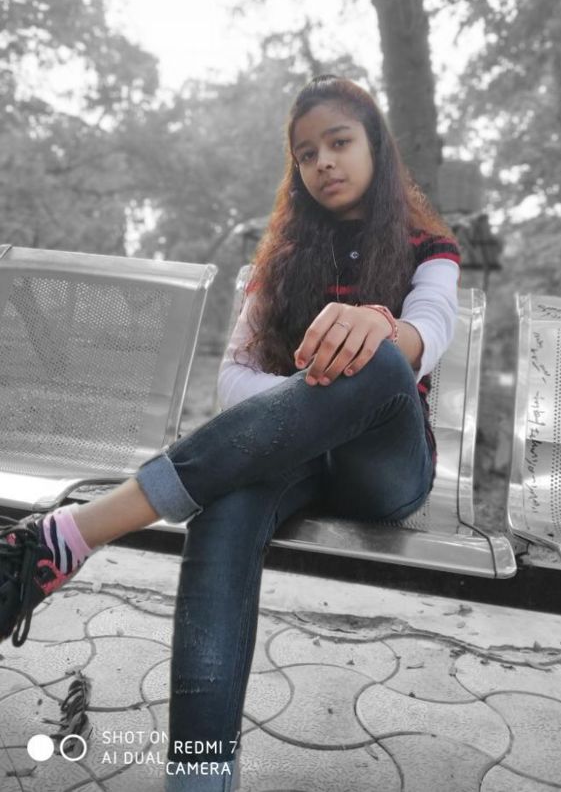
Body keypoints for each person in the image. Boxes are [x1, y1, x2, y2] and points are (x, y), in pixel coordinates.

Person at [0, 74, 460, 791]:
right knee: (225, 506)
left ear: (376, 145)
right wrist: (311, 404)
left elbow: (428, 333)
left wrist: (373, 332)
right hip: (290, 457)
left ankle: (75, 534)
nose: (324, 162)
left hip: (384, 467)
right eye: (307, 154)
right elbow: (235, 381)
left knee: (378, 356)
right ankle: (199, 780)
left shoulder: (428, 247)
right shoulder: (280, 259)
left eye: (339, 142)